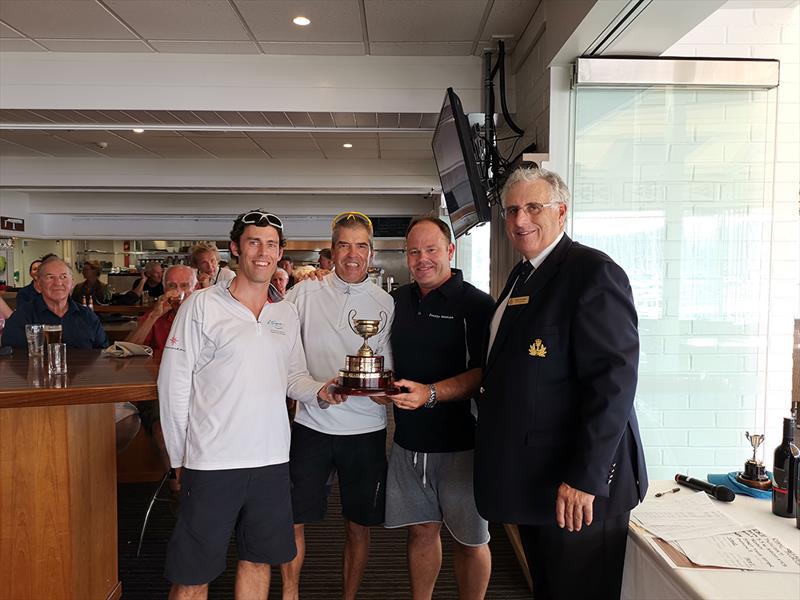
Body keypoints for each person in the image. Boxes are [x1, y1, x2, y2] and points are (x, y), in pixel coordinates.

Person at [474, 167, 648, 600]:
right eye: (512, 210)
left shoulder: (592, 273)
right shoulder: (524, 274)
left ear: (562, 213)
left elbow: (612, 386)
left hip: (580, 491)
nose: (520, 220)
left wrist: (586, 478)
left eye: (534, 207)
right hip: (541, 485)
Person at [158, 210, 341, 599]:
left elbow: (293, 377)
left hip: (272, 460)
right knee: (193, 573)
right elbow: (173, 385)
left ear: (280, 254)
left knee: (258, 561)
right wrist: (178, 457)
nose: (263, 252)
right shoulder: (202, 306)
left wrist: (322, 390)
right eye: (254, 242)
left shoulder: (285, 313)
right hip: (212, 461)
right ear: (235, 249)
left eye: (271, 244)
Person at [281, 211, 394, 600]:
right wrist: (317, 390)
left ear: (371, 252)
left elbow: (388, 365)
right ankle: (291, 593)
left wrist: (386, 389)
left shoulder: (385, 303)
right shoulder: (304, 294)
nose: (352, 254)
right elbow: (284, 358)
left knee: (357, 524)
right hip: (312, 426)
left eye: (360, 245)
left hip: (365, 430)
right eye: (344, 245)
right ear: (332, 250)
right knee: (294, 519)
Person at [386, 217, 494, 600]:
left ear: (450, 251)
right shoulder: (397, 301)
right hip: (409, 442)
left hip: (462, 444)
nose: (422, 259)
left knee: (470, 539)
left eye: (431, 249)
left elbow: (484, 373)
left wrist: (431, 393)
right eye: (414, 251)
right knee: (421, 531)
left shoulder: (478, 306)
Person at [4, 256, 108, 349]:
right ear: (39, 284)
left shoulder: (88, 316)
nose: (58, 283)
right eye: (50, 277)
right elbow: (11, 358)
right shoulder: (22, 316)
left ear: (72, 283)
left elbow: (103, 355)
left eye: (63, 277)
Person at [126, 265, 196, 352]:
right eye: (172, 286)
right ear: (164, 289)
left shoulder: (205, 315)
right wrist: (153, 316)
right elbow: (127, 350)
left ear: (194, 288)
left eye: (184, 285)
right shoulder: (156, 314)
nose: (178, 291)